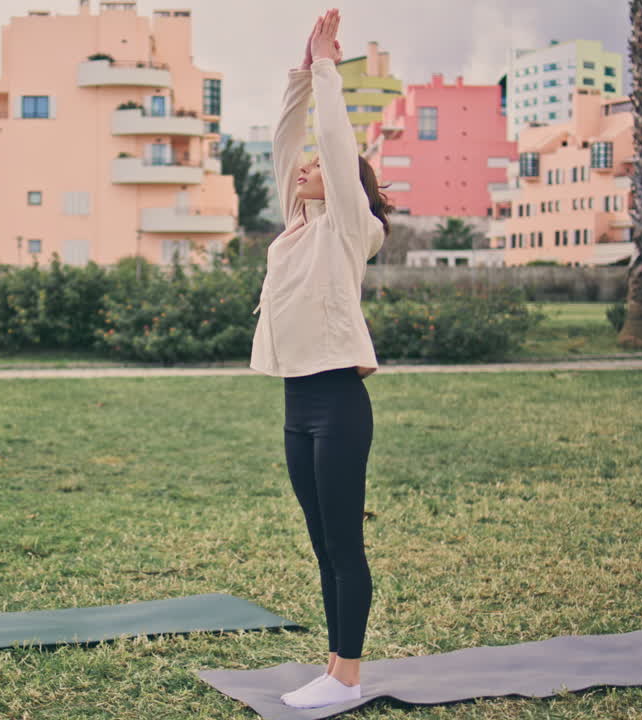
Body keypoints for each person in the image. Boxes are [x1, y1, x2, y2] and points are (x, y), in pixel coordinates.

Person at [249, 9, 391, 710]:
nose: (304, 167)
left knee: (343, 545)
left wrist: (331, 72)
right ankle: (333, 667)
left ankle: (348, 677)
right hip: (295, 406)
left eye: (315, 167)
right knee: (320, 545)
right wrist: (300, 74)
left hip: (337, 404)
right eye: (302, 168)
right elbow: (286, 138)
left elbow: (333, 145)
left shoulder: (347, 229)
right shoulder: (295, 230)